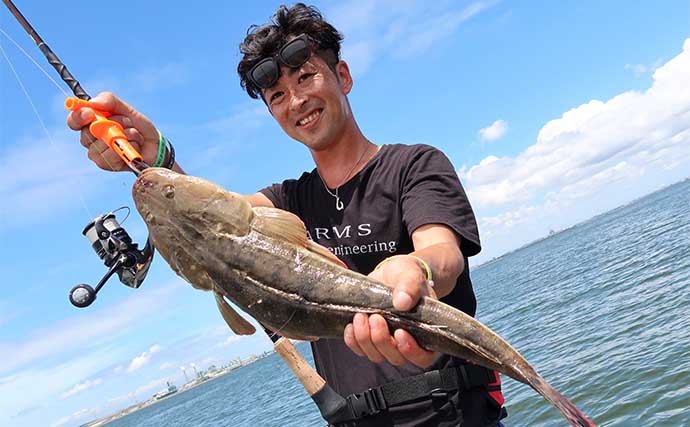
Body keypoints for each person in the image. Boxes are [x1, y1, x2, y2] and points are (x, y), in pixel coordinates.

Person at [67, 4, 507, 426]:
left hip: (454, 415)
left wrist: (417, 267)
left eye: (306, 76)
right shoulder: (287, 200)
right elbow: (214, 218)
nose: (295, 100)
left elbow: (443, 253)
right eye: (277, 95)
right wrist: (152, 155)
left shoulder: (413, 165)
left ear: (343, 75)